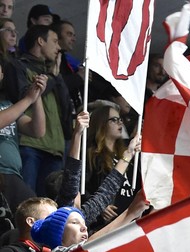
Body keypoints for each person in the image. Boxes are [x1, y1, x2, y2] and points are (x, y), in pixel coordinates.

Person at [4, 23, 74, 195]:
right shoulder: (18, 66)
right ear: (41, 41)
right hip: (31, 145)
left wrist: (57, 78)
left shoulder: (53, 72)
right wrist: (52, 77)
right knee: (27, 203)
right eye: (55, 41)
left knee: (48, 206)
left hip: (55, 147)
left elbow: (66, 108)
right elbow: (22, 96)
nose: (59, 47)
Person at [84, 103, 138, 232]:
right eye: (114, 120)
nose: (120, 123)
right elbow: (81, 187)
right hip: (106, 224)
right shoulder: (92, 154)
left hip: (129, 219)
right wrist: (98, 206)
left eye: (120, 119)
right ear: (101, 123)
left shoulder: (127, 152)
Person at [0, 65, 46, 214]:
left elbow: (37, 130)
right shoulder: (14, 108)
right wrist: (28, 99)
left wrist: (36, 96)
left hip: (13, 175)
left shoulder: (8, 106)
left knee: (33, 214)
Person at [51, 19, 83, 113]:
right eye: (69, 34)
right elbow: (56, 85)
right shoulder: (51, 60)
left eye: (74, 35)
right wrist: (78, 77)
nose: (74, 39)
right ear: (57, 36)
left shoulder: (64, 58)